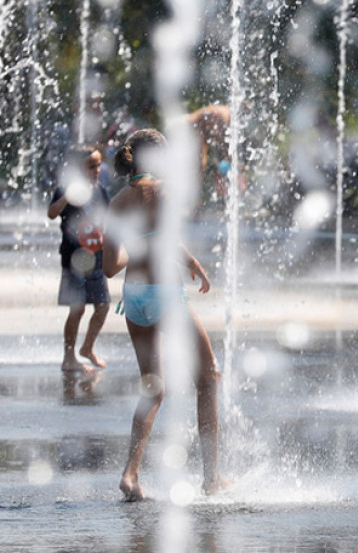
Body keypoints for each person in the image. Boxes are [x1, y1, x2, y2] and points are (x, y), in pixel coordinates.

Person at [101, 129, 225, 501]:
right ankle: (212, 478)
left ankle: (130, 475)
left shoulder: (118, 201)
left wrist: (189, 261)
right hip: (166, 295)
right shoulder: (166, 193)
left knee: (153, 388)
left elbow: (110, 267)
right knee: (209, 376)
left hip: (134, 298)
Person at [47, 145, 111, 371]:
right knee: (78, 308)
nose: (96, 170)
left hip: (96, 256)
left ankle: (87, 348)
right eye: (90, 166)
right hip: (74, 258)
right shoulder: (67, 189)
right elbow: (52, 213)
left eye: (98, 165)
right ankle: (69, 356)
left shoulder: (100, 190)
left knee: (103, 306)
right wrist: (67, 197)